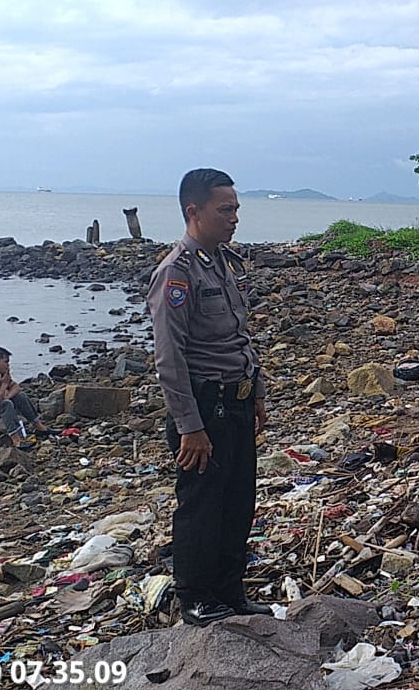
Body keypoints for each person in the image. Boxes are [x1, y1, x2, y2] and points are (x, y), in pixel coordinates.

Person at [147, 168, 270, 627]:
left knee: (238, 501)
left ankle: (229, 591)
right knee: (202, 505)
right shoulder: (175, 274)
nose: (234, 218)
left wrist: (255, 392)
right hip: (203, 407)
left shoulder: (223, 262)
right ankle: (196, 597)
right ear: (192, 211)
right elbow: (170, 358)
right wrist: (190, 426)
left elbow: (239, 337)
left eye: (236, 209)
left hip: (235, 401)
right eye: (225, 210)